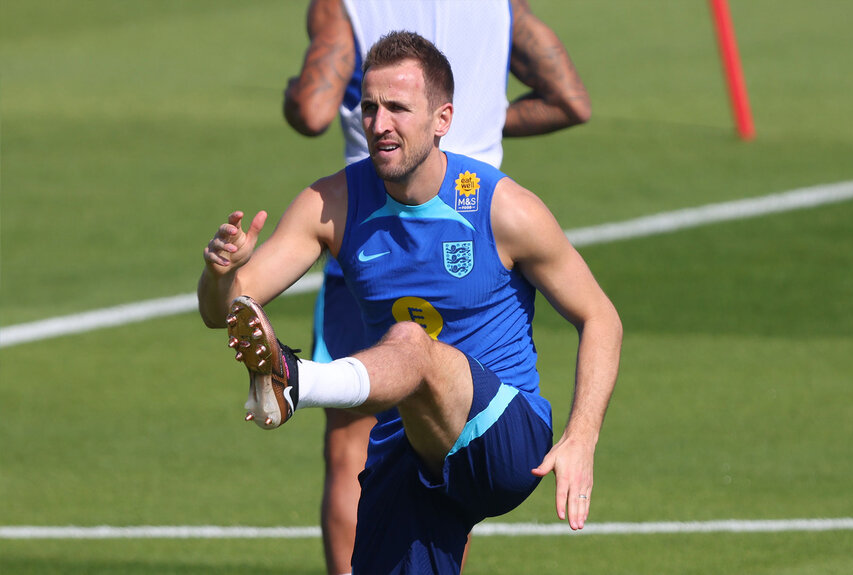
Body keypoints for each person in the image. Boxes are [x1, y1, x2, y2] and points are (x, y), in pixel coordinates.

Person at [199, 31, 621, 574]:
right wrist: (219, 274)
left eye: (398, 108)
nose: (379, 124)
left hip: (505, 437)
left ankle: (296, 381)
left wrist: (581, 437)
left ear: (442, 119)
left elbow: (601, 316)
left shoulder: (502, 209)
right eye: (369, 108)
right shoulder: (334, 203)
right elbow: (228, 312)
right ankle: (294, 381)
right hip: (412, 443)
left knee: (411, 344)